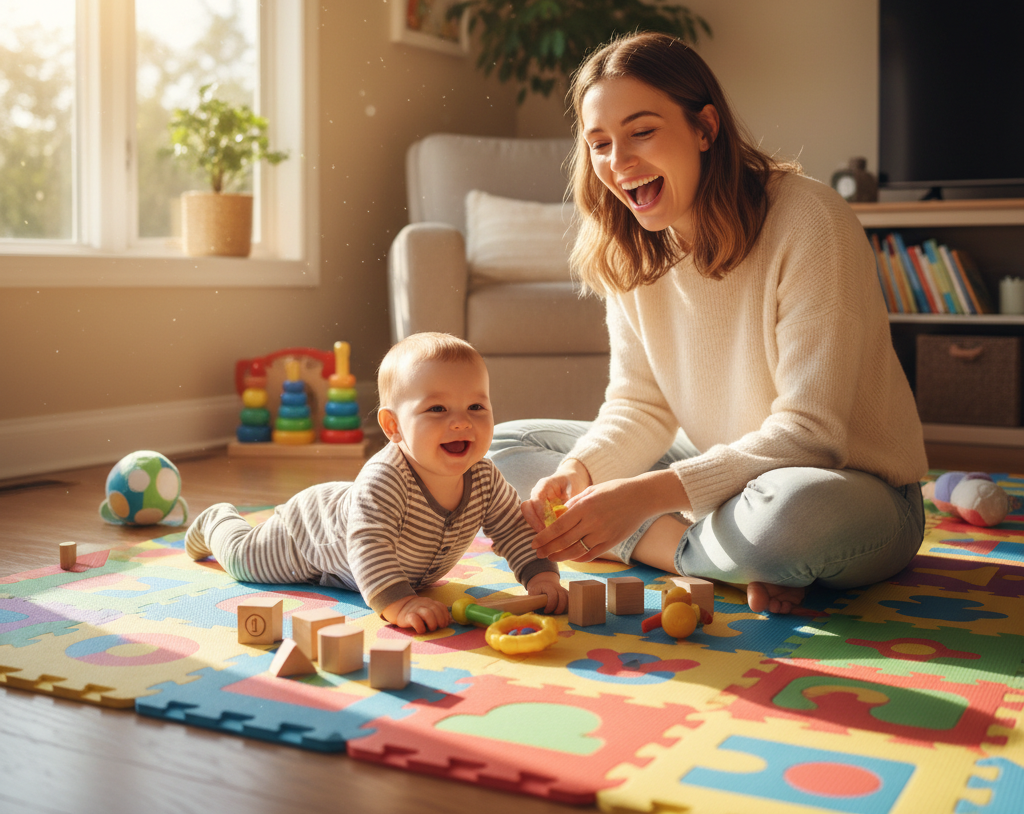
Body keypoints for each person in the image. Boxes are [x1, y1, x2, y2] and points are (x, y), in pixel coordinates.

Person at [489, 31, 927, 615]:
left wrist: (641, 497)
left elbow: (812, 437)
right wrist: (578, 475)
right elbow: (640, 406)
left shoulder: (811, 220)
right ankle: (705, 556)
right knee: (502, 451)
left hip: (845, 490)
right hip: (718, 478)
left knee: (787, 521)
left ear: (705, 128)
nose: (618, 164)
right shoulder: (630, 249)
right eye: (599, 144)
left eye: (641, 131)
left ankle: (726, 548)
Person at [186, 332, 568, 633]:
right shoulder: (386, 479)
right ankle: (218, 520)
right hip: (307, 535)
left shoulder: (484, 476)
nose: (461, 421)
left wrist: (541, 576)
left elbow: (514, 530)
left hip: (368, 568)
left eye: (476, 407)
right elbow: (370, 544)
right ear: (393, 427)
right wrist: (400, 603)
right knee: (243, 560)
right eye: (437, 409)